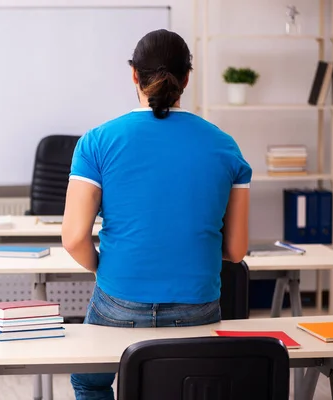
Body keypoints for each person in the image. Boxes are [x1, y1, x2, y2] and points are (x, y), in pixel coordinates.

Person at [61, 29, 251, 400]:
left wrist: (107, 268)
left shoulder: (97, 142)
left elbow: (73, 238)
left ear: (134, 74)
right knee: (187, 384)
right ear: (187, 79)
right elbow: (237, 250)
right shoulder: (225, 146)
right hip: (197, 305)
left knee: (89, 381)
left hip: (119, 299)